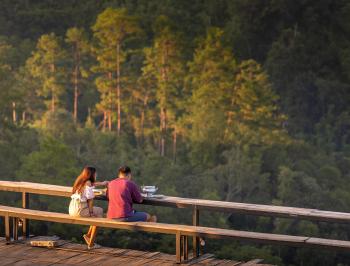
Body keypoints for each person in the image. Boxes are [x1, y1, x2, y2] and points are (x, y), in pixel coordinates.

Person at [69, 166, 108, 249]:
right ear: (91, 174)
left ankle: (89, 235)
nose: (96, 174)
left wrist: (102, 183)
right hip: (80, 210)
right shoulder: (88, 183)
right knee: (99, 212)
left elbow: (91, 185)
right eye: (95, 173)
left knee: (97, 213)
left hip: (72, 209)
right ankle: (91, 243)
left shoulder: (80, 181)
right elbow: (90, 200)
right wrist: (91, 213)